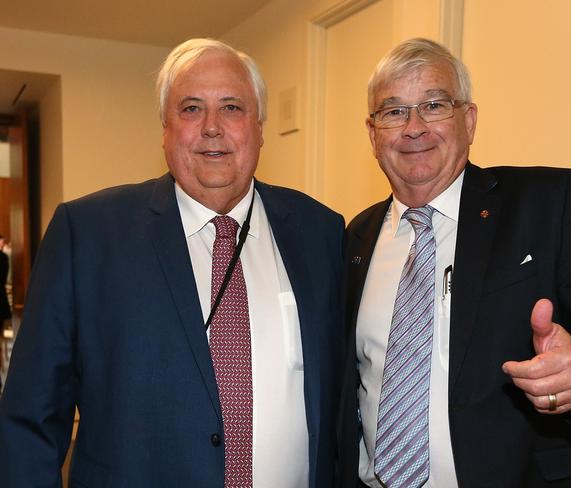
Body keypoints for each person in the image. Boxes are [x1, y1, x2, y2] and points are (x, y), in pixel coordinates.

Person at [0, 38, 344, 487]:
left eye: (233, 108)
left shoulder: (321, 232)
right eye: (191, 109)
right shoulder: (87, 234)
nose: (213, 128)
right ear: (165, 129)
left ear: (259, 127)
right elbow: (30, 421)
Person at [339, 38, 571, 488]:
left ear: (468, 119)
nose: (414, 127)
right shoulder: (354, 237)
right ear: (372, 134)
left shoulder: (548, 203)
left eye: (434, 104)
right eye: (393, 111)